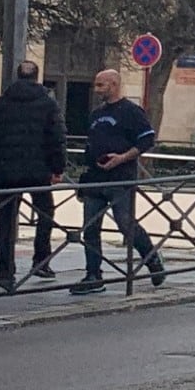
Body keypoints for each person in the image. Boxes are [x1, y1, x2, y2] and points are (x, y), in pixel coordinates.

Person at [70, 68, 166, 296]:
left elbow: (147, 140)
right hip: (94, 178)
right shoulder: (96, 114)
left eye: (101, 85)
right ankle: (93, 274)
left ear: (114, 85)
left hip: (120, 178)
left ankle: (152, 260)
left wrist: (122, 158)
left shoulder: (132, 112)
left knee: (126, 224)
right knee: (90, 228)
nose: (97, 90)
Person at [0, 60, 67, 292]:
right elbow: (57, 138)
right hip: (39, 171)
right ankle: (41, 260)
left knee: (6, 221)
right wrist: (58, 168)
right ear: (37, 77)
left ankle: (6, 272)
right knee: (45, 213)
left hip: (7, 171)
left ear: (16, 76)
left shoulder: (0, 104)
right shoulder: (48, 104)